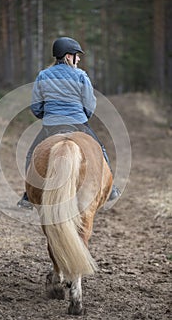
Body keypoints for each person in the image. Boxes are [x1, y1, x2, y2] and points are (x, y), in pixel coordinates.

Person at [17, 36, 120, 209]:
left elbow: (36, 106)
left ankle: (28, 195)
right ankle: (111, 189)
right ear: (67, 56)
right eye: (76, 55)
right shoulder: (81, 76)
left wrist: (48, 115)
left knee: (31, 155)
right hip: (78, 124)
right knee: (100, 149)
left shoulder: (43, 76)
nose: (78, 58)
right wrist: (83, 115)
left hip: (51, 126)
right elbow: (90, 104)